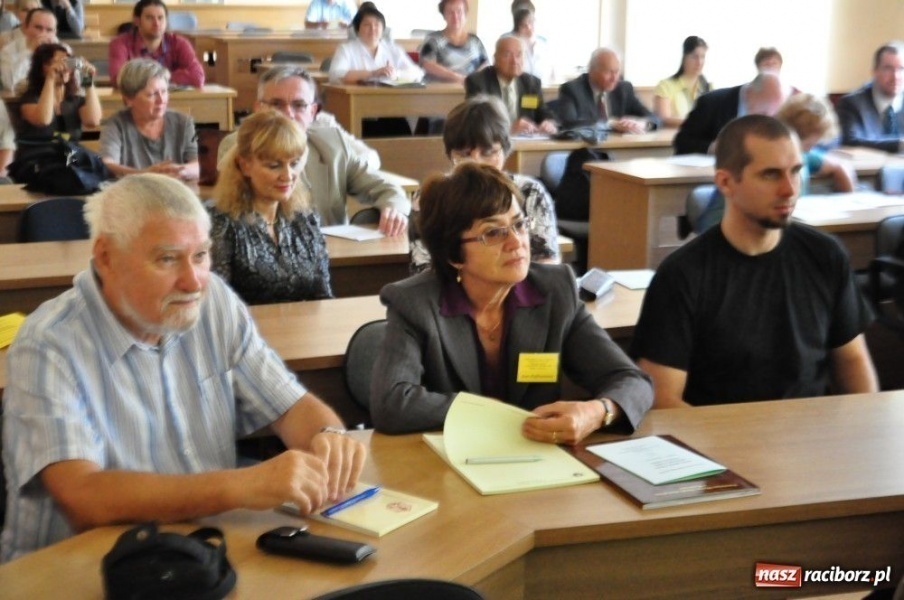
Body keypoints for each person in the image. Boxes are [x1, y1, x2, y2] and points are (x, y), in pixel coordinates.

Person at [0, 173, 367, 562]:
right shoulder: (48, 343)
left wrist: (327, 437)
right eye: (167, 258)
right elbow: (84, 497)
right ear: (107, 257)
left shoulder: (214, 302)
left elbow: (290, 405)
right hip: (72, 570)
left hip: (199, 553)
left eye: (201, 255)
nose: (193, 281)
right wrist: (239, 486)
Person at [371, 161, 652, 439]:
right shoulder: (415, 303)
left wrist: (599, 411)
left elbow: (632, 381)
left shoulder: (555, 291)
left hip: (535, 457)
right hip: (449, 461)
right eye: (493, 233)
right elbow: (392, 404)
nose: (516, 242)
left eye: (519, 225)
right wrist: (497, 415)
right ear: (454, 255)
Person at [631, 115, 877, 408]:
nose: (789, 189)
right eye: (771, 175)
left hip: (809, 439)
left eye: (795, 171)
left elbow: (852, 360)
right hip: (719, 441)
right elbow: (662, 398)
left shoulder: (826, 255)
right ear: (725, 182)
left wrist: (865, 427)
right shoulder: (683, 275)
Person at [218, 66, 410, 235]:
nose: (288, 113)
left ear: (313, 112)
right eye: (276, 104)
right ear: (258, 108)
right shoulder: (238, 145)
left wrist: (394, 209)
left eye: (299, 105)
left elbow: (385, 188)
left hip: (332, 256)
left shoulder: (332, 144)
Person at [410, 94, 559, 272]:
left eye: (488, 152)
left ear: (505, 149)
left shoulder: (529, 192)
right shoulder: (431, 197)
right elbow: (423, 270)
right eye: (464, 154)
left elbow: (548, 267)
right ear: (450, 154)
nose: (476, 164)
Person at [210, 111, 332, 305]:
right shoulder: (221, 224)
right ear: (245, 165)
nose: (288, 175)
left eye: (294, 164)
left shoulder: (305, 219)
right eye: (274, 166)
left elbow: (323, 296)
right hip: (248, 333)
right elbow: (217, 306)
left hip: (304, 331)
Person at [100, 58, 199, 181]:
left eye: (164, 92)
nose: (161, 100)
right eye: (152, 94)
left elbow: (198, 164)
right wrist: (145, 174)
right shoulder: (116, 125)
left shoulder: (183, 122)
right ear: (129, 100)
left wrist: (181, 171)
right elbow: (107, 165)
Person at [673, 71, 788, 155]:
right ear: (749, 93)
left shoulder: (777, 111)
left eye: (773, 114)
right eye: (764, 112)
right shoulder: (711, 103)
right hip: (711, 176)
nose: (768, 118)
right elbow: (681, 142)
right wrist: (712, 148)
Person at [465, 35, 556, 136]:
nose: (514, 61)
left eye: (519, 55)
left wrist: (548, 123)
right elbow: (475, 122)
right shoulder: (479, 82)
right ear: (495, 59)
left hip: (526, 142)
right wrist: (509, 128)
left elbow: (543, 112)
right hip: (492, 143)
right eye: (507, 55)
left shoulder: (531, 83)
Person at [557, 47, 660, 132]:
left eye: (617, 71)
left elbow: (654, 118)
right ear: (591, 71)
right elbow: (568, 123)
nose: (614, 78)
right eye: (608, 72)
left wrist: (642, 123)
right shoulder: (572, 89)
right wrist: (610, 124)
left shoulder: (624, 89)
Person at [108, 0, 205, 89]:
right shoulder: (120, 43)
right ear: (137, 21)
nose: (157, 23)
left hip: (171, 101)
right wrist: (163, 75)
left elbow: (198, 77)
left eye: (160, 18)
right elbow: (118, 79)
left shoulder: (179, 43)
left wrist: (169, 75)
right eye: (149, 18)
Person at [17, 42, 100, 142]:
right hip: (39, 153)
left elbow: (93, 121)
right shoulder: (30, 99)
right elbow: (43, 120)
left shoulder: (75, 100)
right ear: (41, 68)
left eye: (66, 62)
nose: (63, 68)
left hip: (70, 153)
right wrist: (50, 79)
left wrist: (87, 80)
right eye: (54, 63)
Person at [328, 3, 423, 85]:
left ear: (383, 29)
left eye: (377, 25)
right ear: (357, 29)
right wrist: (373, 73)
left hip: (390, 98)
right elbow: (335, 75)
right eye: (367, 25)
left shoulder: (394, 49)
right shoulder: (346, 49)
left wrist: (395, 74)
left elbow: (417, 73)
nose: (373, 29)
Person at [835, 41, 904, 154]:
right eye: (888, 68)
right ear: (875, 71)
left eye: (901, 69)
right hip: (869, 170)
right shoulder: (851, 104)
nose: (895, 76)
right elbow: (850, 141)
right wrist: (900, 145)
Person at [419, 0, 488, 83]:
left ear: (465, 14)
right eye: (450, 12)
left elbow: (485, 64)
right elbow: (427, 65)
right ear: (444, 15)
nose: (455, 16)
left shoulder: (475, 41)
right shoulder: (433, 39)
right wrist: (459, 78)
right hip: (440, 92)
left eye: (459, 11)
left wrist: (473, 80)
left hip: (472, 90)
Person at [653, 36, 710, 128]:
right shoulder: (665, 86)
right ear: (684, 57)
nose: (699, 62)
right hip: (674, 138)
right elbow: (664, 118)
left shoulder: (708, 87)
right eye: (694, 57)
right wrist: (696, 122)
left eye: (703, 57)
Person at [0, 6, 56, 91]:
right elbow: (9, 83)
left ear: (55, 32)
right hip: (20, 100)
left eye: (49, 30)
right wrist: (29, 51)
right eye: (38, 28)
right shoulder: (8, 51)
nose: (43, 34)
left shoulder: (62, 49)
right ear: (25, 27)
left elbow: (76, 79)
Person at [511, 6, 551, 83]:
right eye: (524, 25)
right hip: (521, 90)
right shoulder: (514, 47)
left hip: (544, 90)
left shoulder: (544, 45)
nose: (529, 27)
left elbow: (553, 74)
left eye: (531, 22)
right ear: (517, 28)